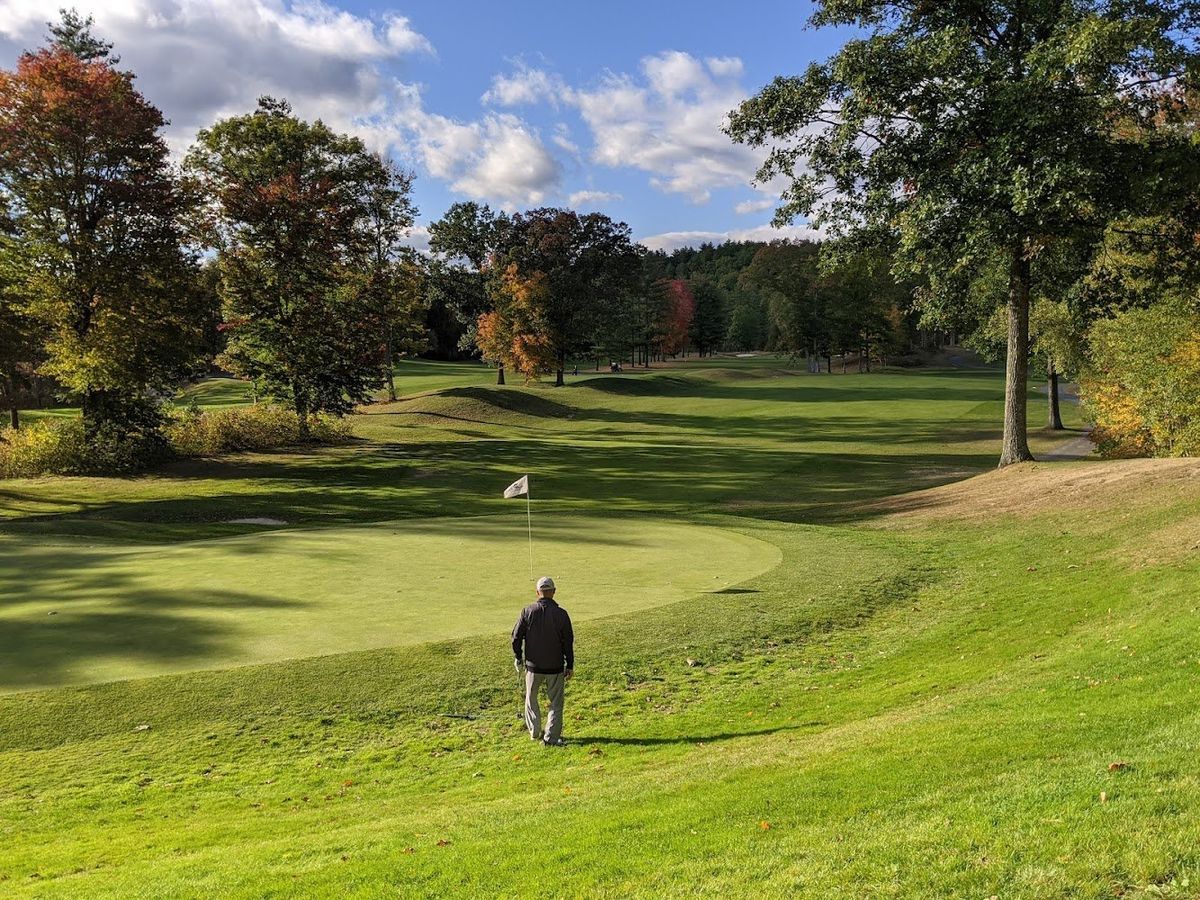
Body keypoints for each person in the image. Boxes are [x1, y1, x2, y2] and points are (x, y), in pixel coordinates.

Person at [511, 576, 574, 746]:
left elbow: (516, 637)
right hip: (555, 666)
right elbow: (568, 641)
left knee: (531, 699)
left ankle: (535, 732)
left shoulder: (528, 611)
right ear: (553, 592)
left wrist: (518, 656)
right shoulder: (561, 614)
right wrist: (570, 664)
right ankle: (551, 738)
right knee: (556, 703)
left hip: (533, 666)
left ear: (538, 592)